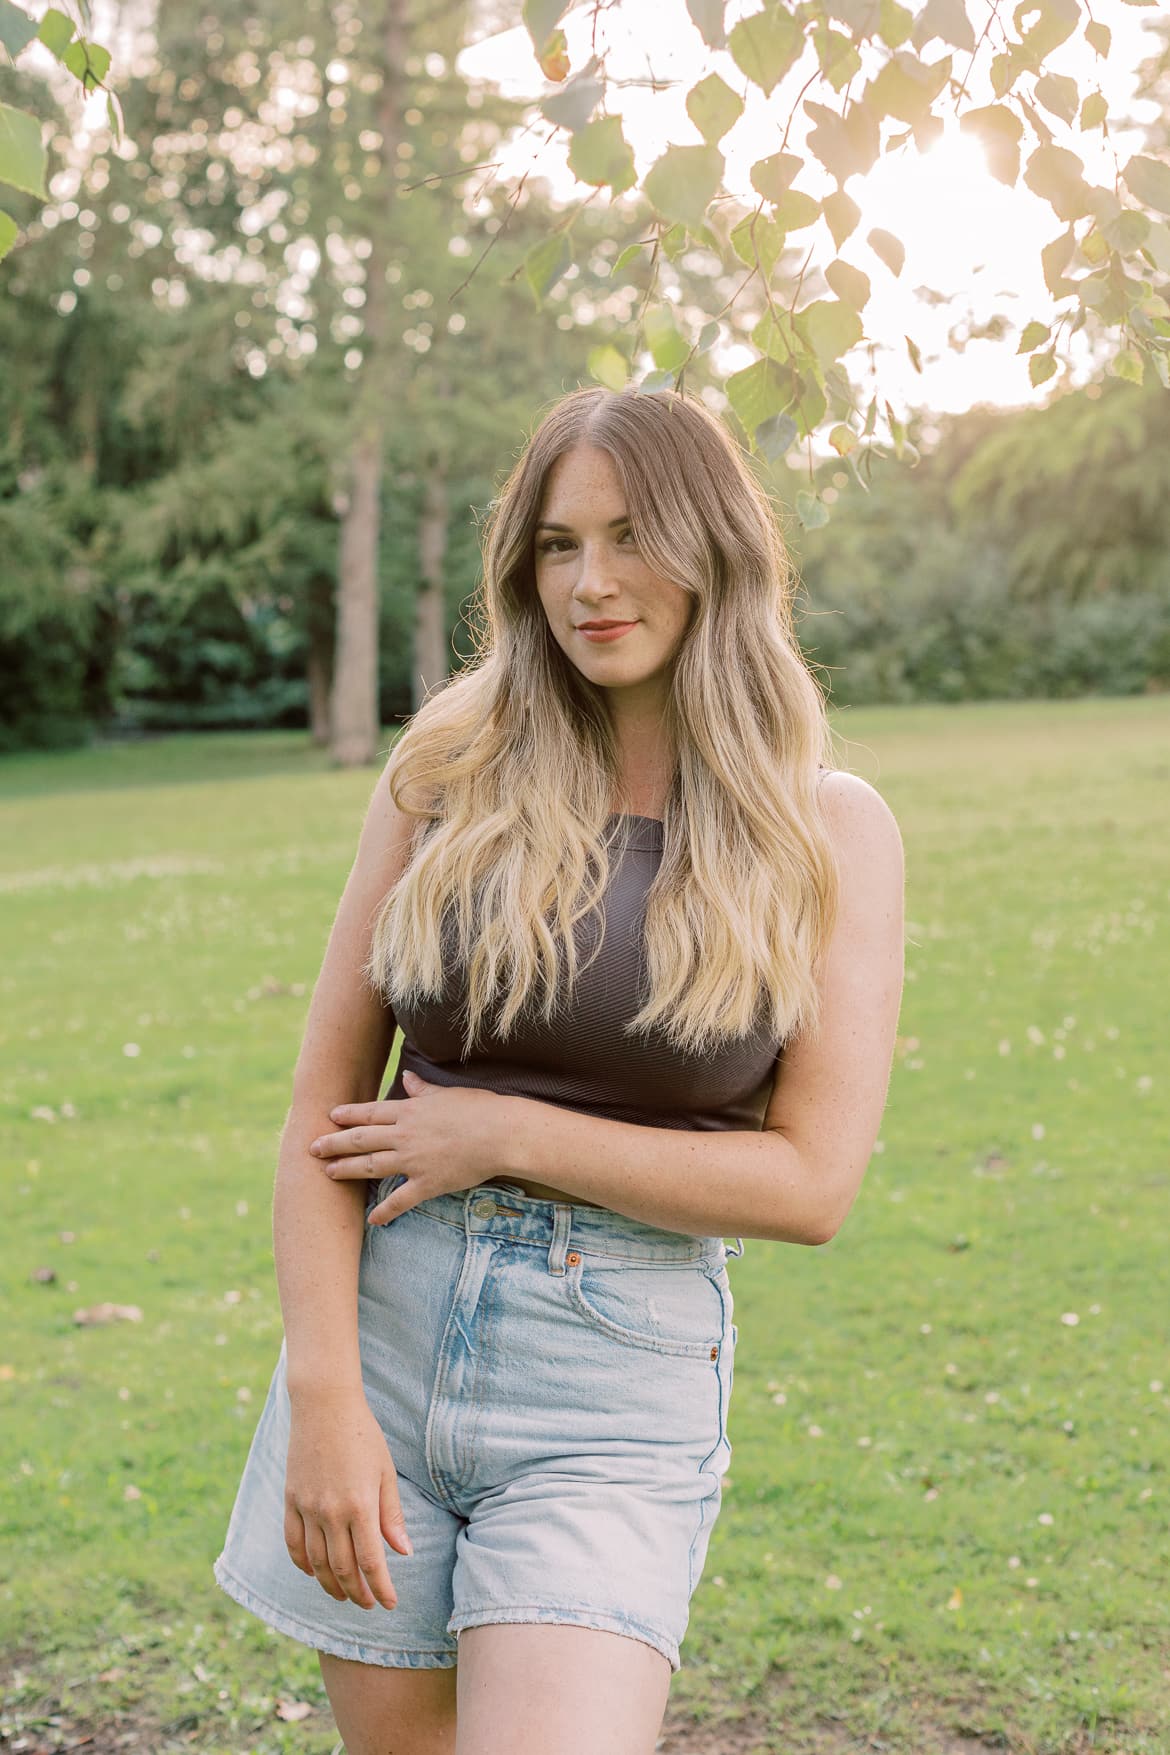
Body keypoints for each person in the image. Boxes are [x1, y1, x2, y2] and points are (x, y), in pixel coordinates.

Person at [212, 385, 904, 1755]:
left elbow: (811, 1183)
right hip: (387, 1342)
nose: (591, 584)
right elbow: (321, 1114)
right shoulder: (447, 773)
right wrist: (325, 1400)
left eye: (632, 536)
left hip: (613, 1380)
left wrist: (507, 1134)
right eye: (555, 543)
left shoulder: (823, 827)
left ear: (717, 547)